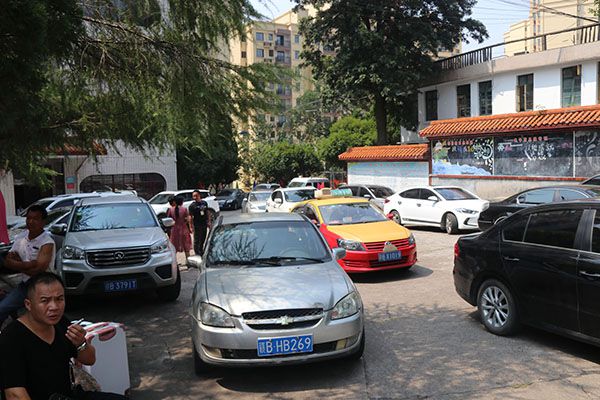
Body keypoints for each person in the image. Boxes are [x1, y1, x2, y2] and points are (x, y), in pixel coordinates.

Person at [0, 272, 125, 400]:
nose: (54, 307)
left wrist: (81, 343)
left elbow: (89, 360)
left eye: (59, 299)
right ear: (28, 304)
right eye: (45, 301)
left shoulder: (61, 324)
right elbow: (14, 394)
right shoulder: (11, 338)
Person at [0, 204, 55, 326]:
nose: (31, 222)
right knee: (3, 308)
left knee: (45, 318)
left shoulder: (47, 242)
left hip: (44, 285)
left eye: (35, 219)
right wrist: (28, 264)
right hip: (26, 285)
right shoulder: (21, 237)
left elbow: (38, 271)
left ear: (43, 222)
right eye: (28, 218)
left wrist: (18, 263)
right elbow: (8, 261)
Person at [188, 190, 210, 256]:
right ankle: (197, 253)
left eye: (196, 196)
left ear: (199, 195)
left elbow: (207, 212)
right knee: (197, 239)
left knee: (203, 237)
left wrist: (209, 221)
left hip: (204, 223)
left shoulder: (204, 203)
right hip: (197, 225)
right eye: (193, 196)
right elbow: (190, 216)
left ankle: (201, 251)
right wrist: (190, 226)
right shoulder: (192, 206)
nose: (195, 197)